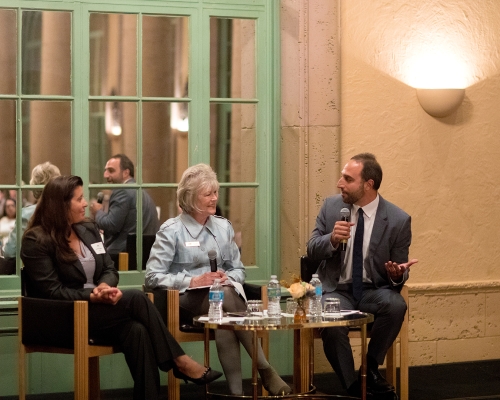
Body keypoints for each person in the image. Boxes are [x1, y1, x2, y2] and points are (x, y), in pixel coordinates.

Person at [20, 175, 222, 400]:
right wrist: (93, 296)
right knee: (136, 298)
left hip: (97, 312)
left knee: (137, 331)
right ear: (60, 205)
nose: (86, 203)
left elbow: (109, 269)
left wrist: (105, 286)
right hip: (63, 317)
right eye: (79, 199)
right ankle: (180, 361)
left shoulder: (87, 228)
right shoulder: (36, 240)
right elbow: (51, 291)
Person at [145, 163, 292, 396]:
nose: (214, 198)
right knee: (223, 298)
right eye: (208, 194)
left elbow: (239, 270)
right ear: (191, 198)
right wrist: (192, 281)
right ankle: (265, 368)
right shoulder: (171, 230)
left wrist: (227, 276)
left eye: (215, 193)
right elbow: (152, 276)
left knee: (223, 312)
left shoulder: (223, 227)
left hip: (221, 301)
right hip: (184, 301)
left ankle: (236, 393)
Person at [307, 153, 418, 398]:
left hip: (373, 290)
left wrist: (397, 274)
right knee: (331, 320)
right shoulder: (332, 206)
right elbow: (312, 248)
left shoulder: (398, 220)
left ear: (368, 184)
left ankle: (370, 368)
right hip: (336, 289)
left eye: (348, 179)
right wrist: (332, 239)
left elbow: (400, 269)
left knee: (396, 304)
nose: (340, 183)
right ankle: (353, 388)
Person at [90, 154, 160, 263]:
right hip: (144, 255)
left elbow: (111, 225)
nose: (105, 175)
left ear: (126, 173)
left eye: (111, 171)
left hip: (123, 256)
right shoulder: (142, 191)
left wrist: (97, 211)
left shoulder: (122, 190)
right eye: (105, 171)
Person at [3, 162, 61, 259]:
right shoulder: (66, 210)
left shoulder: (27, 214)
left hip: (33, 270)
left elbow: (10, 252)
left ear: (34, 185)